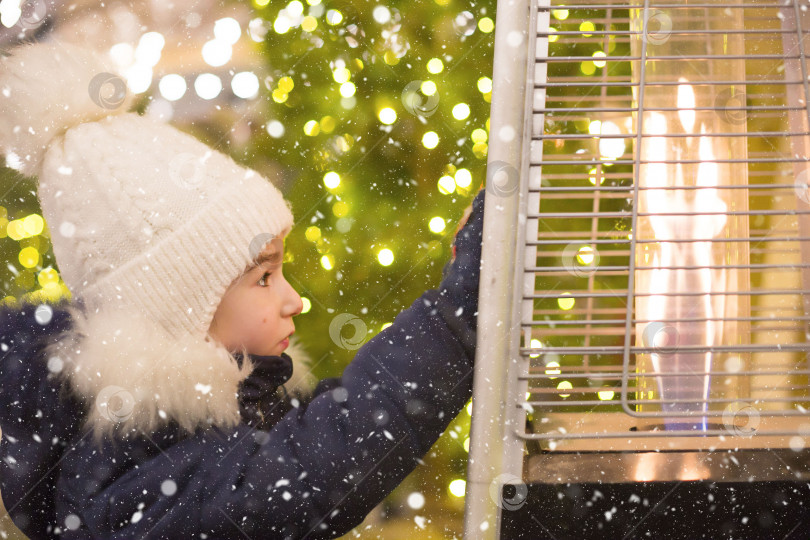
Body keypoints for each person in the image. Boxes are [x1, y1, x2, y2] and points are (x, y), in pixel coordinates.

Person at [0, 40, 486, 538]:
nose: (293, 300)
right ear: (179, 310)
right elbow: (313, 467)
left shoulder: (215, 422)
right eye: (263, 277)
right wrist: (457, 315)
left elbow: (336, 423)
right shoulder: (139, 474)